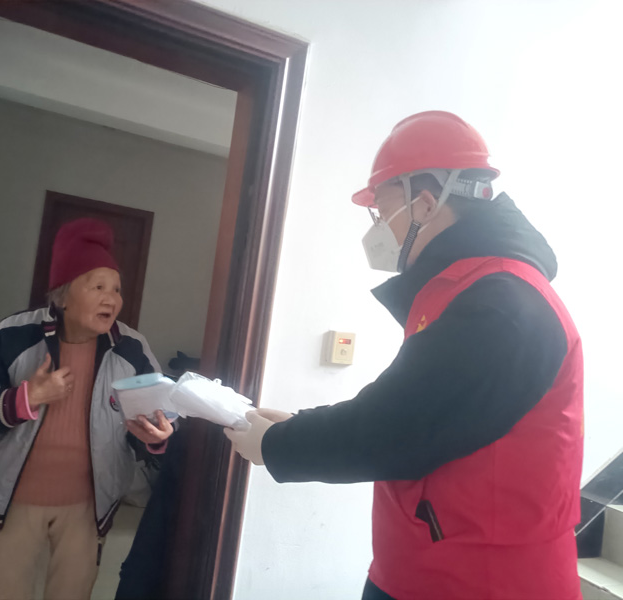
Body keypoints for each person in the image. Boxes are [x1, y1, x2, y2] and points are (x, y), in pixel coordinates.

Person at [225, 111, 583, 600]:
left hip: (481, 583)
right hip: (428, 568)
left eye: (382, 209)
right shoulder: (468, 288)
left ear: (426, 203)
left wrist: (280, 445)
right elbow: (417, 409)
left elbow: (397, 427)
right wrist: (295, 426)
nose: (377, 227)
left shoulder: (504, 303)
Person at [0, 218, 175, 600]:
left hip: (90, 504)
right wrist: (23, 399)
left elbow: (157, 416)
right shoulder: (13, 335)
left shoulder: (131, 348)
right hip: (11, 500)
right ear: (63, 296)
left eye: (116, 289)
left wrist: (157, 438)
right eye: (98, 287)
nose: (111, 299)